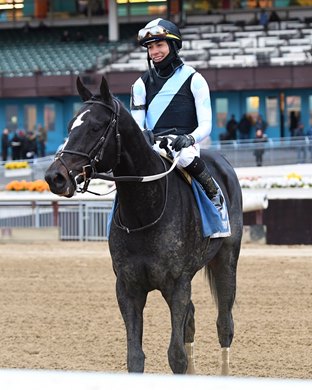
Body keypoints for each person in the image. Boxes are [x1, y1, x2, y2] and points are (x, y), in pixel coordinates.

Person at [130, 18, 222, 210]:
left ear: (172, 45)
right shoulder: (140, 85)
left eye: (159, 45)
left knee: (185, 157)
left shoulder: (195, 79)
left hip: (183, 147)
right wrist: (143, 134)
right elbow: (136, 124)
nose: (154, 52)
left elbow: (206, 125)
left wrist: (189, 138)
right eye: (150, 47)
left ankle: (213, 194)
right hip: (153, 145)